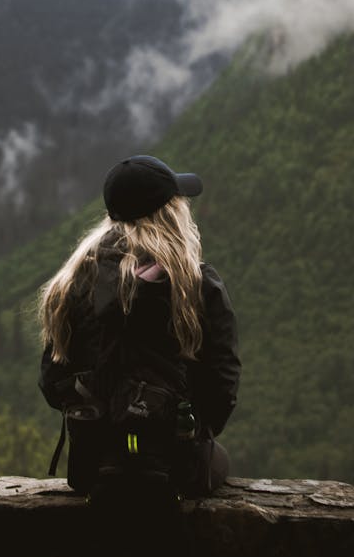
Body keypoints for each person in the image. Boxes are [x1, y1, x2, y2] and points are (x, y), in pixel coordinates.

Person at [38, 154, 240, 498]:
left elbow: (52, 382)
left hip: (93, 467)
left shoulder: (75, 282)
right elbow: (223, 384)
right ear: (168, 214)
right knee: (220, 461)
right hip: (176, 469)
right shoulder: (197, 283)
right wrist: (188, 426)